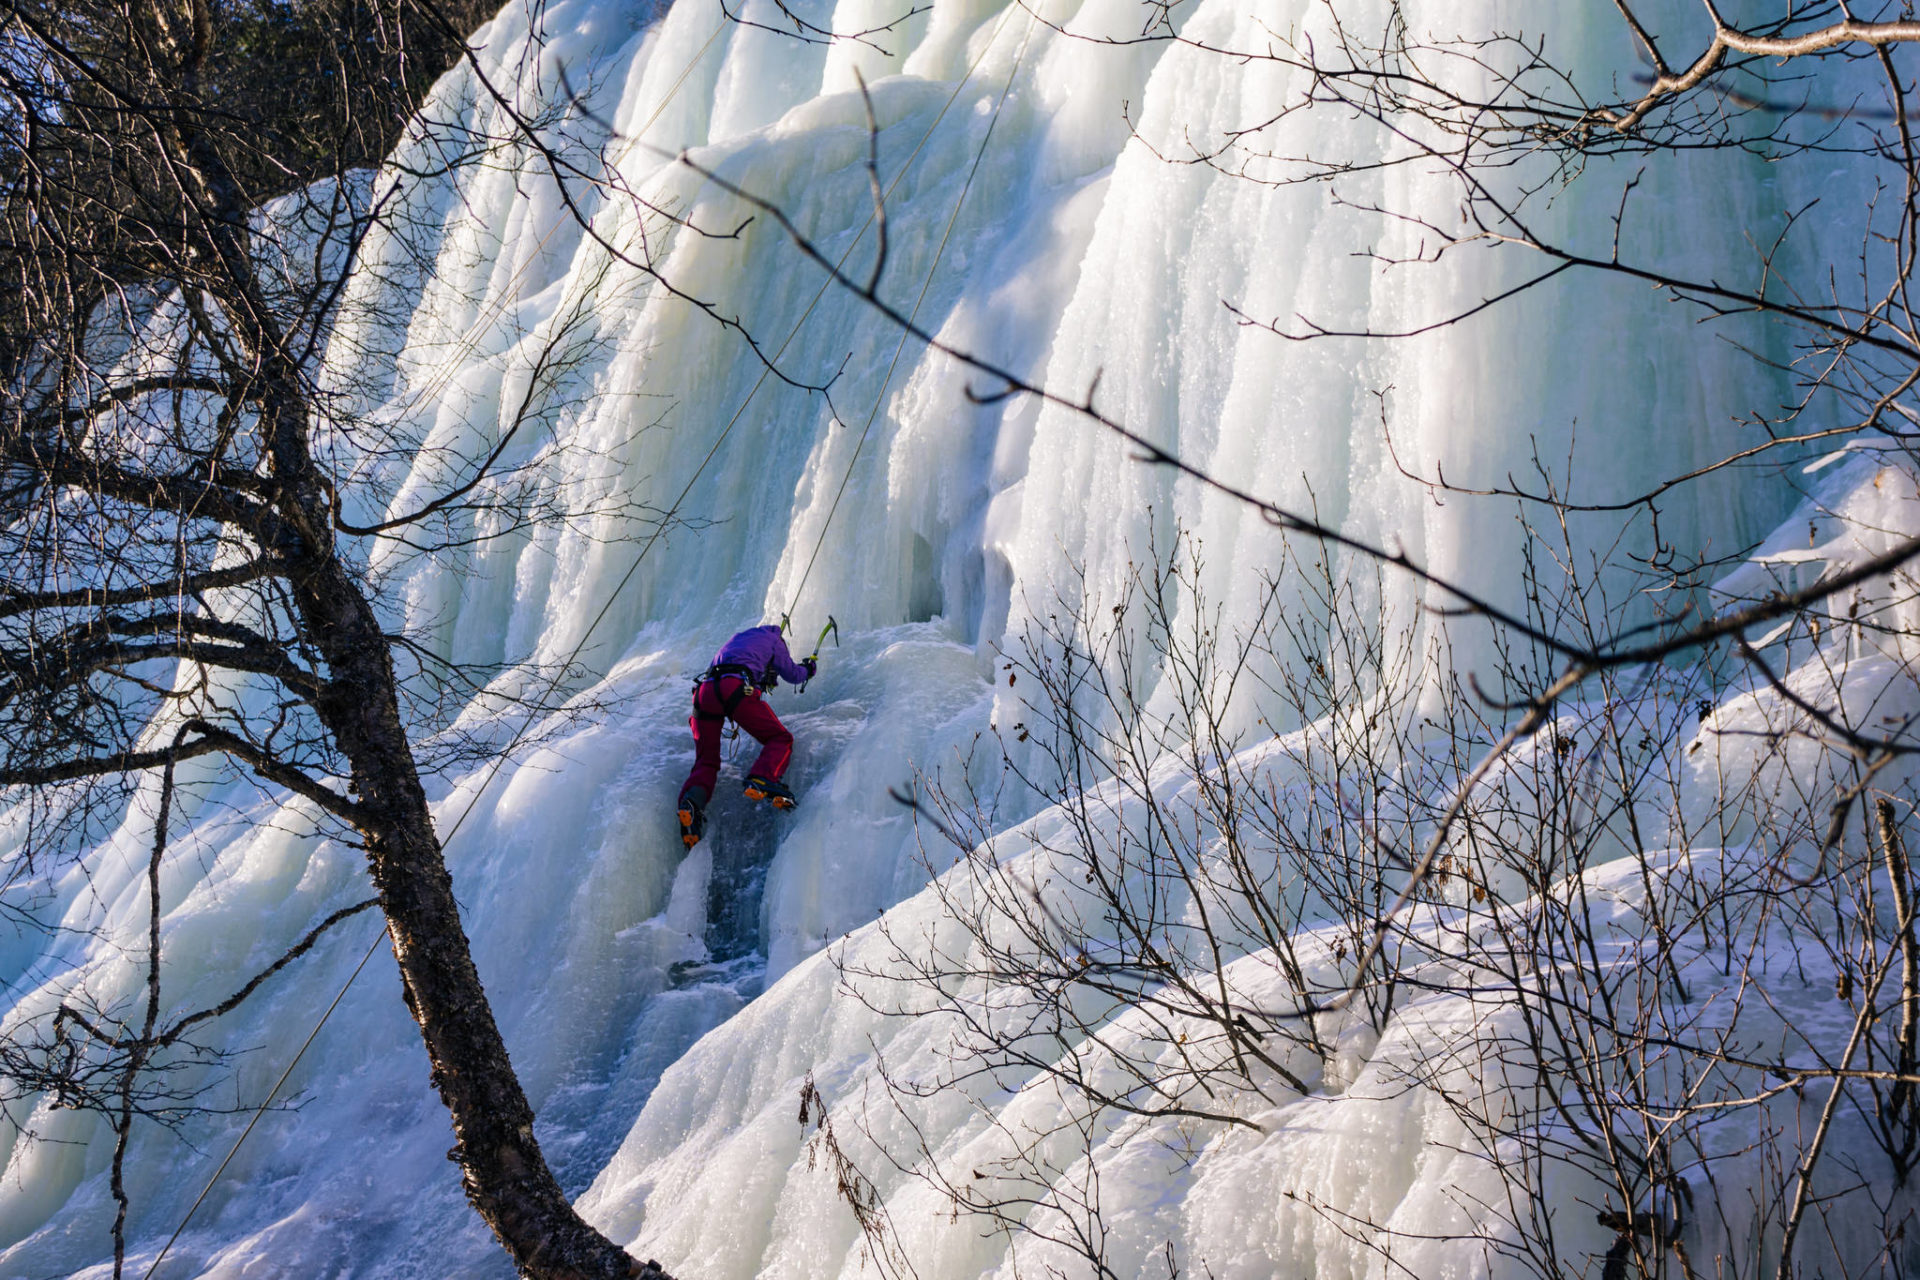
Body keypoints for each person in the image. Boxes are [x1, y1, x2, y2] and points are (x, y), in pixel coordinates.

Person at [676, 624, 818, 848]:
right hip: (734, 688)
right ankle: (763, 778)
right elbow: (793, 674)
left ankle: (690, 805)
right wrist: (808, 668)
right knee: (780, 739)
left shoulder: (734, 643)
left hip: (705, 693)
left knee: (706, 761)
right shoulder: (774, 640)